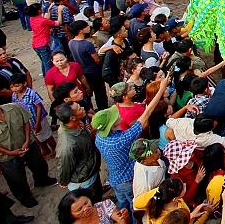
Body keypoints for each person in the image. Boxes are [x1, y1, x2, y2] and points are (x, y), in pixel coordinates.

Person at [94, 75, 169, 221]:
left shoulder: (100, 137)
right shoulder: (122, 139)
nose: (118, 115)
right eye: (115, 116)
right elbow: (147, 113)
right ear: (112, 125)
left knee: (123, 206)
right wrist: (161, 88)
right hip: (128, 180)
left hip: (115, 179)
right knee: (136, 208)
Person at [0, 95, 56, 208]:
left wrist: (27, 140)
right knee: (16, 178)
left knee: (39, 164)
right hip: (6, 156)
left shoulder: (14, 108)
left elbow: (25, 122)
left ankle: (42, 180)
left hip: (28, 146)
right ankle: (25, 198)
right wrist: (9, 152)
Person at [56, 102, 103, 202]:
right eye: (79, 109)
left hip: (91, 169)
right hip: (84, 179)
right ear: (72, 118)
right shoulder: (68, 145)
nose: (82, 108)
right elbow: (64, 165)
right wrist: (63, 181)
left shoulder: (77, 124)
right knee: (92, 201)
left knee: (98, 192)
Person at [9, 74, 54, 158]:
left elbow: (39, 107)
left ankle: (54, 149)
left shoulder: (32, 93)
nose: (14, 89)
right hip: (28, 122)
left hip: (38, 119)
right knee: (36, 137)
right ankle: (45, 149)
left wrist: (38, 123)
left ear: (25, 83)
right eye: (12, 87)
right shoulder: (14, 95)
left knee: (46, 136)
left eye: (17, 86)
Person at [68, 20, 108, 110]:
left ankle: (89, 110)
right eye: (86, 26)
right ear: (80, 31)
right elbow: (96, 59)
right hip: (93, 71)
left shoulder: (71, 42)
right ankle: (103, 109)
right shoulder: (87, 44)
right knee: (100, 92)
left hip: (82, 72)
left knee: (87, 92)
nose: (88, 27)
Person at [57, 189, 129, 224]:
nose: (86, 208)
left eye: (86, 202)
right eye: (79, 209)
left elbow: (119, 218)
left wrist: (123, 218)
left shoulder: (103, 206)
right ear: (71, 215)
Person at [27, 2, 62, 75]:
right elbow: (58, 23)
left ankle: (45, 76)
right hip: (43, 44)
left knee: (44, 62)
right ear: (39, 11)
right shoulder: (43, 20)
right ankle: (49, 78)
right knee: (48, 64)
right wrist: (59, 12)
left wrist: (48, 9)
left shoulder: (32, 18)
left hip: (36, 44)